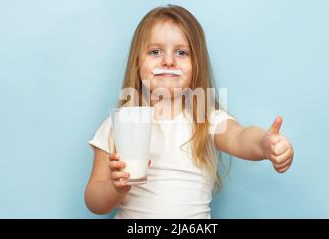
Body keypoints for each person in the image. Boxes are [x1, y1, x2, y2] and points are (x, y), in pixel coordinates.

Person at [85, 5, 294, 219]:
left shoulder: (205, 118)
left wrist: (264, 144)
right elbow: (94, 201)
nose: (168, 61)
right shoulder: (119, 123)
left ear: (197, 66)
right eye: (155, 52)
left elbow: (239, 137)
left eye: (181, 52)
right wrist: (115, 187)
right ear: (137, 63)